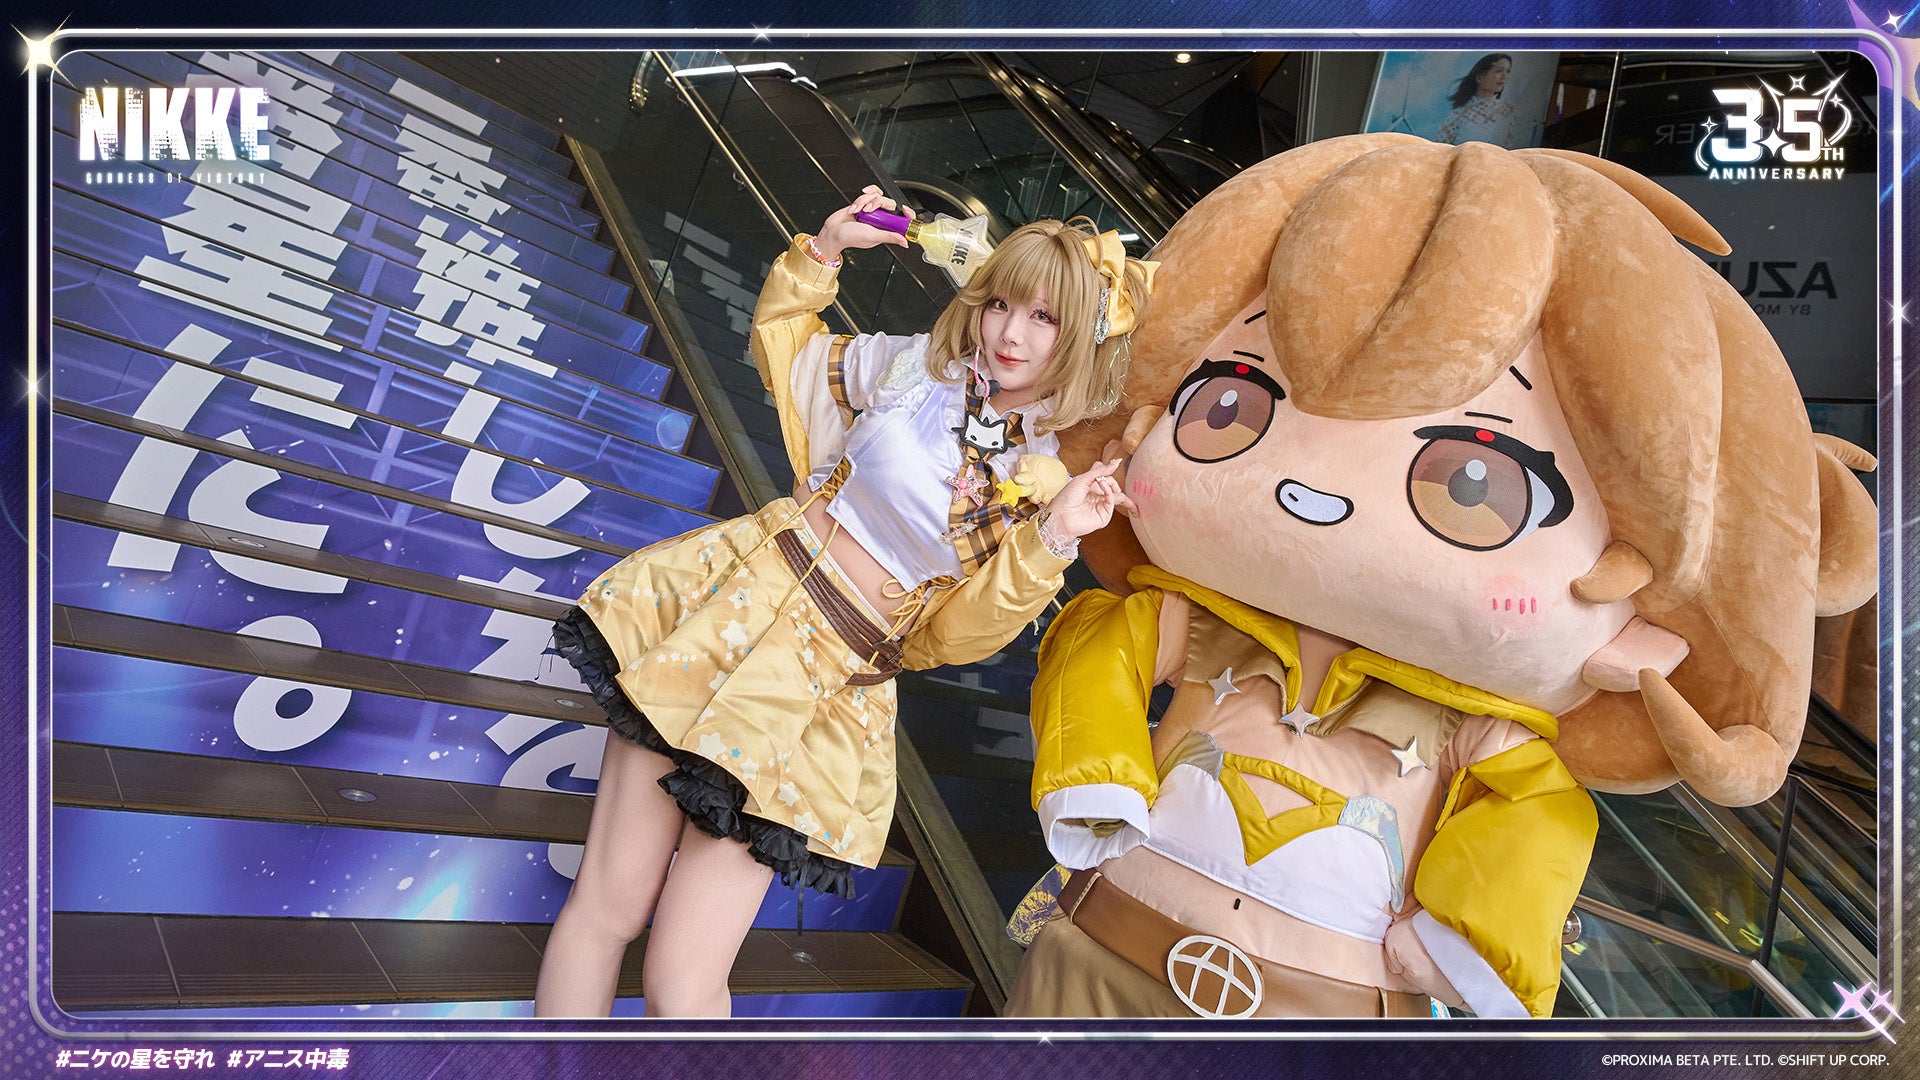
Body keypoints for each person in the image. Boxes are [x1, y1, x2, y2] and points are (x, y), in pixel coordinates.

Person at [1003, 135, 1877, 1018]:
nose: (1318, 496)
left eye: (1474, 481)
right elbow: (1095, 649)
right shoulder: (1192, 626)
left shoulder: (1481, 728)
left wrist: (1467, 936)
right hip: (1102, 947)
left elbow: (1537, 811)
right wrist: (1096, 773)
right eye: (1233, 404)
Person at [534, 186, 1154, 1017]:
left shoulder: (1042, 479)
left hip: (826, 685)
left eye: (1043, 318)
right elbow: (789, 355)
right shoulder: (914, 367)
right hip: (739, 610)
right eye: (1002, 304)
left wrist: (1056, 536)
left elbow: (961, 633)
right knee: (607, 907)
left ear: (1078, 338)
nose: (1011, 333)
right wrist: (822, 254)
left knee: (683, 980)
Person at [1436, 53, 1517, 147]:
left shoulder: (1509, 113)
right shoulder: (1458, 115)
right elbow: (1440, 150)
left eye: (1507, 72)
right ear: (1479, 78)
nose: (1504, 77)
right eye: (1499, 71)